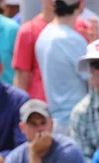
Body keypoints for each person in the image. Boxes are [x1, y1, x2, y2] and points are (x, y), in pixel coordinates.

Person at [12, 0, 95, 101]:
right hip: (43, 110)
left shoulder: (84, 28)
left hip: (72, 109)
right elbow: (21, 80)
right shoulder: (29, 31)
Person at [35, 0, 89, 135]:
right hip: (77, 125)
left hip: (56, 124)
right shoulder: (73, 40)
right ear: (81, 4)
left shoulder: (43, 35)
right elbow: (94, 80)